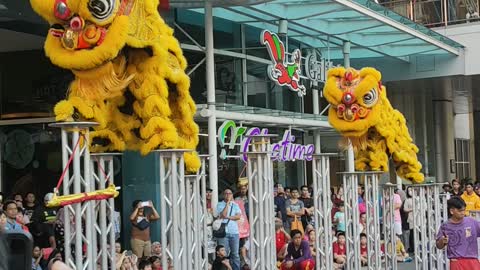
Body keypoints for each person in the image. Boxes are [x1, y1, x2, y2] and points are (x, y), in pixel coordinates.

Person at [436, 197, 480, 269]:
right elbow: (438, 246)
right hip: (456, 262)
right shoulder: (445, 226)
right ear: (451, 211)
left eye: (464, 210)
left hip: (472, 261)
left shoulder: (471, 222)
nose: (463, 213)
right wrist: (442, 241)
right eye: (460, 211)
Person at [216, 189, 241, 270]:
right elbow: (223, 214)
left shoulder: (235, 205)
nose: (228, 195)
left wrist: (228, 217)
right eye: (226, 193)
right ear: (223, 195)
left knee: (235, 254)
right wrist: (227, 204)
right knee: (223, 254)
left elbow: (238, 216)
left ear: (232, 195)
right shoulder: (219, 204)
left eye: (229, 193)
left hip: (234, 232)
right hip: (223, 232)